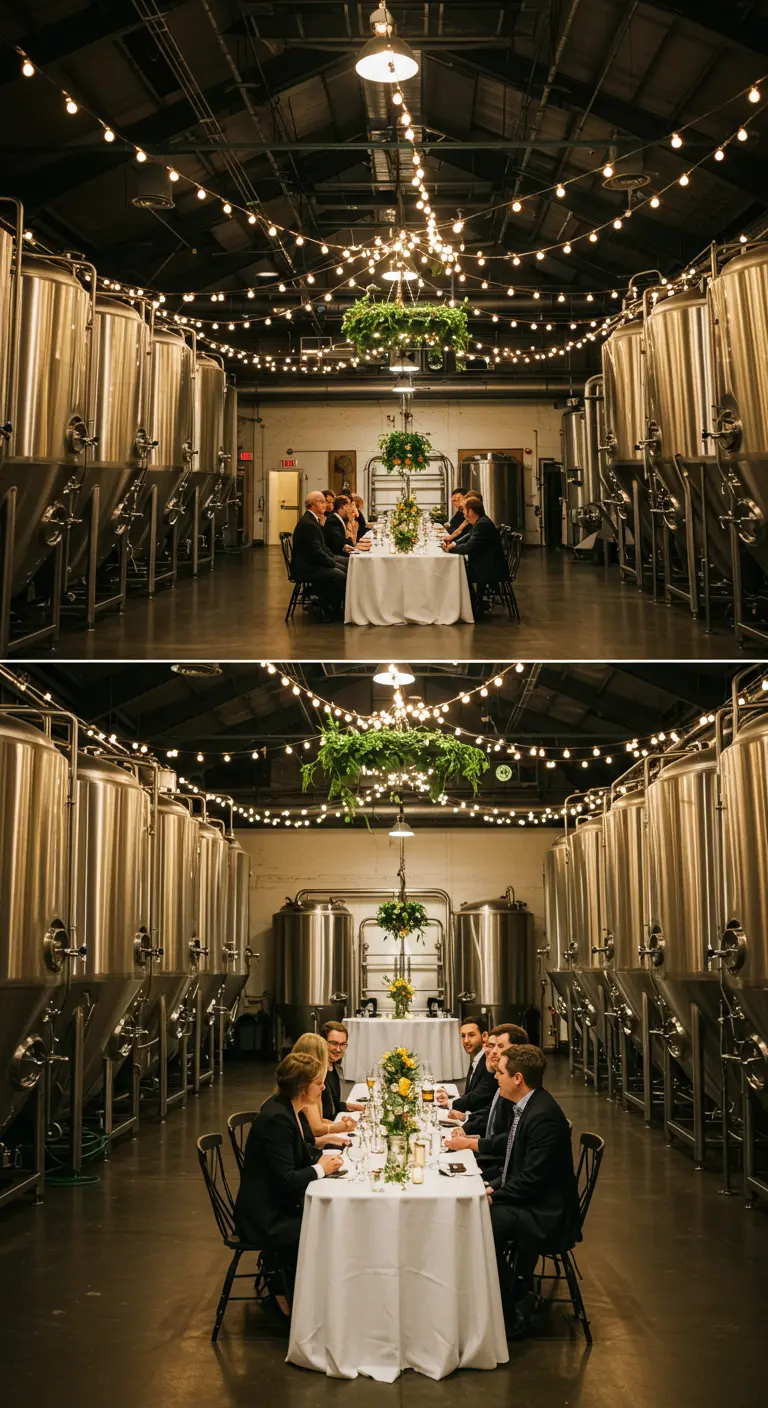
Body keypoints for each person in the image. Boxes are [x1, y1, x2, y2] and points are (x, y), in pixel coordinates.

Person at [234, 1052, 344, 1318]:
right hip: (265, 1217)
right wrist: (321, 1169)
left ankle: (316, 1295)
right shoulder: (277, 1118)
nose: (323, 1087)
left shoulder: (287, 1109)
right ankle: (308, 1301)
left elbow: (298, 1154)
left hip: (275, 1203)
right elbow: (286, 1180)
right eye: (317, 1082)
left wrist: (324, 1158)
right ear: (302, 1087)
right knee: (327, 1225)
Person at [486, 1045, 581, 1338]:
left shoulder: (543, 1116)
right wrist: (492, 1187)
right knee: (481, 1215)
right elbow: (514, 1166)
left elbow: (531, 1180)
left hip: (548, 1212)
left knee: (483, 1224)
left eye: (500, 1073)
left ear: (517, 1078)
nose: (496, 1078)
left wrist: (493, 1197)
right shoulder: (527, 1106)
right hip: (534, 1199)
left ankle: (516, 1297)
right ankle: (502, 1294)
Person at [443, 1021, 529, 1127]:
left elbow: (507, 1130)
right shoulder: (497, 1073)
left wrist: (468, 1130)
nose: (493, 1051)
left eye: (500, 1046)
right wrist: (466, 1118)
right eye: (491, 1046)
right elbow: (492, 1110)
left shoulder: (516, 1084)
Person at [443, 493, 508, 618]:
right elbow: (468, 537)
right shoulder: (480, 521)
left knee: (458, 572)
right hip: (486, 563)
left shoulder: (482, 524)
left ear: (471, 511)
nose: (463, 513)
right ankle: (473, 604)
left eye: (465, 510)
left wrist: (451, 550)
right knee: (460, 569)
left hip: (490, 568)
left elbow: (469, 547)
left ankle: (472, 605)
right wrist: (454, 544)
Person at [290, 491, 347, 618]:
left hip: (312, 562)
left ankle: (333, 604)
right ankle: (330, 609)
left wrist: (332, 558)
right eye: (323, 502)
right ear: (315, 503)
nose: (326, 505)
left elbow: (322, 546)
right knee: (341, 574)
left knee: (346, 565)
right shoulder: (309, 524)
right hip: (307, 567)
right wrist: (332, 562)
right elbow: (316, 552)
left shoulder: (312, 520)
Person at [291, 1032, 355, 1145]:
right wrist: (342, 1127)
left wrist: (340, 1124)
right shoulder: (306, 1087)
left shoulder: (306, 1081)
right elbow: (316, 1129)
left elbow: (320, 1120)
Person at [437, 1016, 496, 1112]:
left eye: (471, 1035)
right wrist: (450, 1097)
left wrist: (449, 1103)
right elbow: (470, 1093)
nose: (466, 1041)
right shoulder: (476, 1057)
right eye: (463, 1036)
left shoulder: (489, 1061)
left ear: (484, 1036)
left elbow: (478, 1097)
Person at [319, 1021, 366, 1119]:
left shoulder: (333, 1067)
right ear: (322, 1042)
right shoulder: (318, 1071)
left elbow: (334, 1104)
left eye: (342, 1044)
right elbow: (325, 1113)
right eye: (334, 1043)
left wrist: (360, 1107)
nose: (338, 1049)